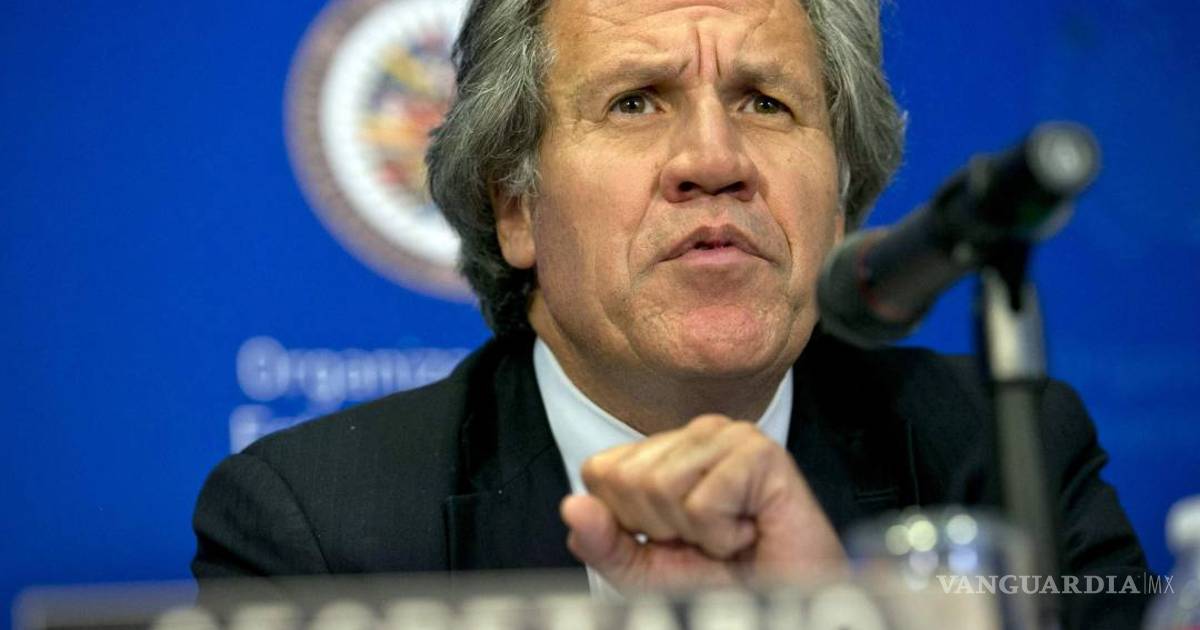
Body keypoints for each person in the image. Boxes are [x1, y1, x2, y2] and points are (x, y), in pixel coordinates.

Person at [192, 0, 1150, 626]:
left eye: (765, 102)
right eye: (636, 103)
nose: (714, 159)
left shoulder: (1007, 454)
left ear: (842, 195)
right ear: (515, 206)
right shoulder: (321, 529)